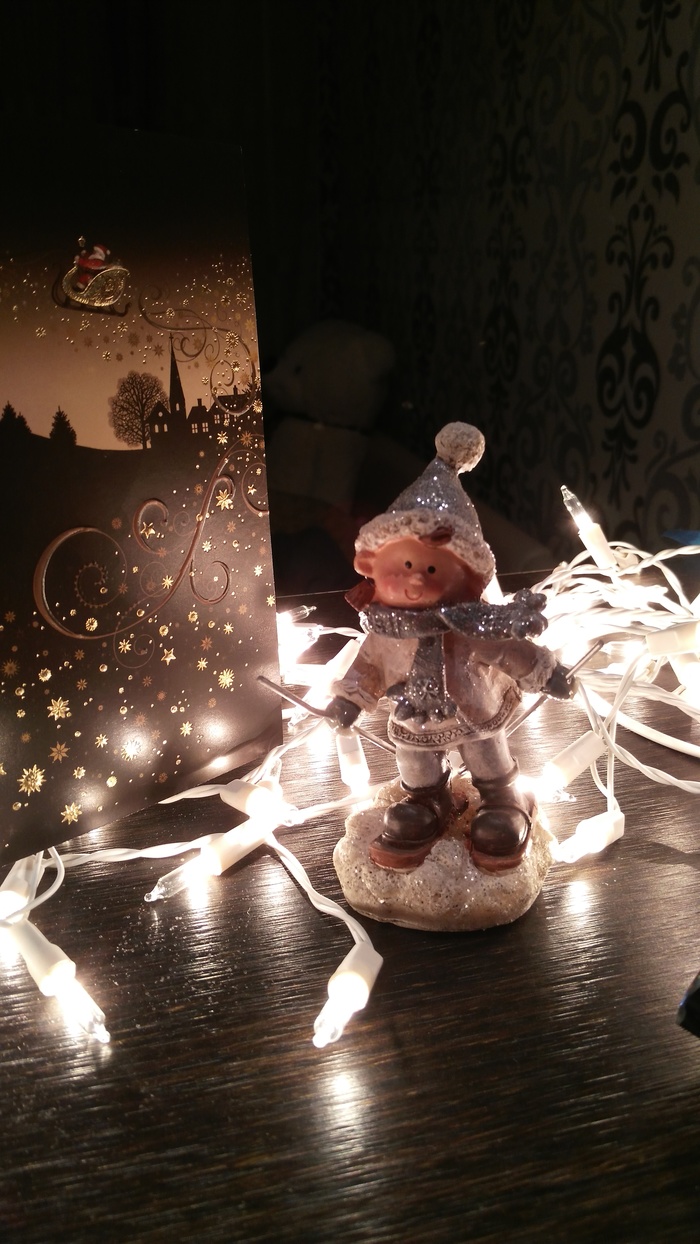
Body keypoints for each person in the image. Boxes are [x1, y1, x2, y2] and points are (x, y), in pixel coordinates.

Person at [326, 422, 575, 873]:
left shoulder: (473, 626)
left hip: (474, 711)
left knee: (486, 754)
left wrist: (546, 672)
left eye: (432, 569)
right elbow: (369, 666)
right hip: (414, 718)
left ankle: (502, 799)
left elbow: (508, 650)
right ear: (373, 566)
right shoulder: (386, 630)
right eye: (404, 565)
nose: (415, 580)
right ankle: (426, 802)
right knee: (414, 760)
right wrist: (348, 701)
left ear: (468, 576)